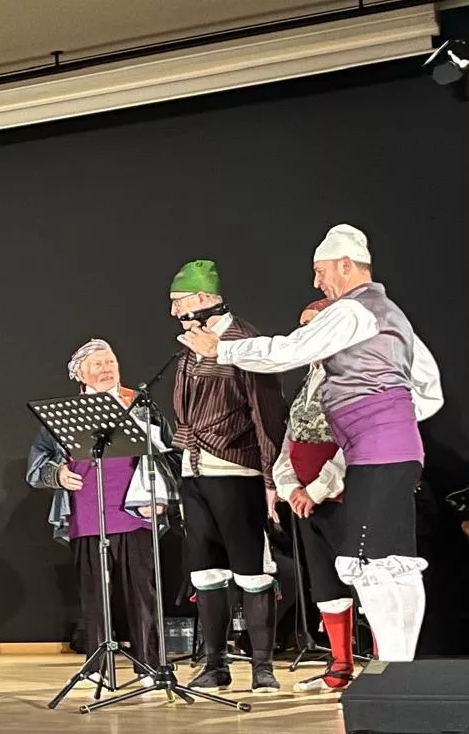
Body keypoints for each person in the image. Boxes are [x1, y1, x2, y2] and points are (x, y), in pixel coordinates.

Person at [179, 225, 442, 663]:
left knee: (374, 562)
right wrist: (390, 417)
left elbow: (289, 350)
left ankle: (396, 668)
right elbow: (428, 387)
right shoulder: (390, 313)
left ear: (345, 265)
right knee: (389, 562)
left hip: (379, 451)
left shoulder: (354, 310)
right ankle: (400, 666)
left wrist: (220, 351)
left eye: (320, 272)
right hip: (386, 449)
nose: (317, 282)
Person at [167, 259, 289, 692]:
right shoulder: (188, 347)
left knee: (252, 569)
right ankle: (215, 664)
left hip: (237, 469)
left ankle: (262, 667)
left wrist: (271, 478)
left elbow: (266, 412)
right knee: (206, 571)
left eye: (178, 301)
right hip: (194, 469)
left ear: (203, 299)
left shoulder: (245, 341)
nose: (174, 311)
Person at [26, 340, 173, 685]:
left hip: (137, 511)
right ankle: (96, 665)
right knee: (94, 593)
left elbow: (170, 454)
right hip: (87, 512)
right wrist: (58, 474)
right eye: (97, 364)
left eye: (110, 362)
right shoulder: (65, 412)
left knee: (142, 591)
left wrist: (162, 497)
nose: (106, 369)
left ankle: (148, 665)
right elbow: (36, 468)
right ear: (79, 374)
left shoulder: (141, 405)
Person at [269, 300, 355, 692]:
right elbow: (292, 439)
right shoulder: (310, 376)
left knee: (363, 580)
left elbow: (354, 440)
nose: (306, 334)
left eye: (314, 326)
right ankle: (340, 667)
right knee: (324, 581)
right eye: (302, 326)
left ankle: (385, 671)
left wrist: (319, 488)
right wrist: (290, 487)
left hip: (340, 495)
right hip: (306, 499)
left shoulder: (353, 374)